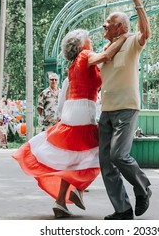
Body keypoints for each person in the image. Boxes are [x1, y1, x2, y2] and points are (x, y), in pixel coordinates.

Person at [12, 29, 127, 218]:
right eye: (88, 38)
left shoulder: (74, 63)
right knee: (99, 153)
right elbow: (106, 55)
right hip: (84, 110)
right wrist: (124, 37)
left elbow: (101, 56)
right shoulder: (86, 55)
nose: (91, 40)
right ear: (82, 44)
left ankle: (62, 201)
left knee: (73, 158)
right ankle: (79, 188)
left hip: (72, 111)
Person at [98, 0, 152, 220]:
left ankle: (143, 188)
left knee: (119, 155)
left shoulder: (131, 42)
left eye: (108, 23)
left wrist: (137, 2)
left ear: (120, 26)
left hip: (127, 108)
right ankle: (122, 209)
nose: (104, 26)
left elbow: (146, 32)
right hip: (106, 110)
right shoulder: (107, 49)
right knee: (106, 162)